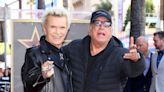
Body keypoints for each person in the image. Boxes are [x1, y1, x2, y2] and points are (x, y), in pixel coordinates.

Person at [63, 9, 145, 92]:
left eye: (106, 24)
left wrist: (137, 60)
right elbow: (57, 56)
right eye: (97, 23)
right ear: (90, 29)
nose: (101, 27)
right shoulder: (74, 48)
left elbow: (134, 71)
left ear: (110, 31)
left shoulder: (121, 54)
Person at [21, 7, 72, 92]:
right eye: (53, 27)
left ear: (67, 30)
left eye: (62, 27)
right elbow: (28, 82)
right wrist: (42, 75)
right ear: (44, 29)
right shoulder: (34, 54)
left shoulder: (68, 55)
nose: (57, 32)